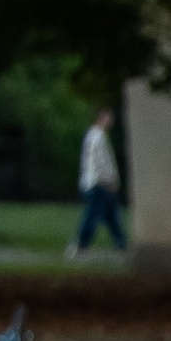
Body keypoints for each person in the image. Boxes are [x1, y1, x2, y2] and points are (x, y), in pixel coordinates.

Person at [71, 108, 126, 257]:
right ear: (102, 118)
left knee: (111, 216)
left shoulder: (93, 135)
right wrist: (109, 180)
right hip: (99, 184)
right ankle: (81, 246)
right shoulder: (98, 136)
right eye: (108, 117)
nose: (111, 121)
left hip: (96, 182)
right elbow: (101, 162)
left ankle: (121, 246)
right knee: (93, 216)